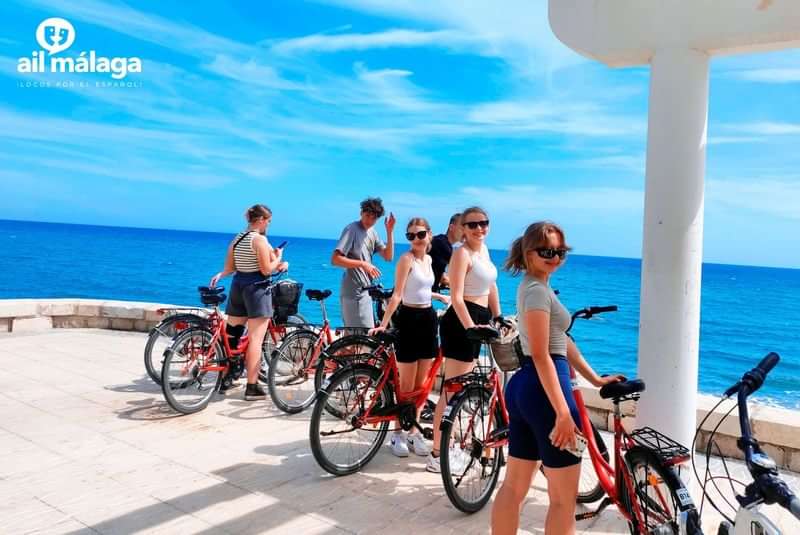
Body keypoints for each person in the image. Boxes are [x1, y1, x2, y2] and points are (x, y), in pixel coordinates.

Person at [490, 221, 624, 535]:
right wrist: (563, 412)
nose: (555, 257)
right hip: (546, 390)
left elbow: (560, 340)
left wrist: (594, 379)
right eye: (547, 251)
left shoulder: (535, 286)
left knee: (513, 488)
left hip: (525, 388)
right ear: (528, 252)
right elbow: (542, 353)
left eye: (560, 251)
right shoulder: (537, 291)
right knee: (563, 501)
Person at [428, 206, 502, 473]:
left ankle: (450, 443)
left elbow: (491, 286)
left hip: (479, 317)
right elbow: (457, 296)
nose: (479, 228)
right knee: (451, 390)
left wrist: (499, 316)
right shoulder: (461, 254)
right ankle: (437, 453)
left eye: (483, 223)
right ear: (463, 228)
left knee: (462, 388)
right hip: (462, 320)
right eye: (472, 225)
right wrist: (471, 326)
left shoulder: (483, 251)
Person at [370, 217, 450, 458]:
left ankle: (414, 431)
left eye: (420, 234)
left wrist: (440, 297)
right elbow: (398, 295)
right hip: (408, 320)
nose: (416, 239)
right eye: (411, 235)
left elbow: (422, 289)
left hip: (428, 319)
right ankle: (398, 433)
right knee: (405, 385)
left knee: (422, 384)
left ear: (430, 235)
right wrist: (383, 325)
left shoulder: (428, 259)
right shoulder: (406, 259)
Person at [209, 204, 288, 401]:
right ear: (261, 220)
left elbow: (229, 267)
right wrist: (279, 259)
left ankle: (227, 376)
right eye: (268, 221)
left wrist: (221, 274)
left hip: (238, 287)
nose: (268, 225)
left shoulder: (238, 238)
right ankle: (252, 387)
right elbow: (266, 270)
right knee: (255, 340)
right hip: (256, 290)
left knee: (233, 335)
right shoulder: (259, 239)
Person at [331, 197, 396, 328]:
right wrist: (363, 264)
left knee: (356, 340)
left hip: (365, 292)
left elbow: (388, 256)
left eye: (374, 218)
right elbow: (335, 259)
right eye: (367, 216)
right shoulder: (352, 229)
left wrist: (390, 231)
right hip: (352, 293)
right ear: (361, 213)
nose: (369, 220)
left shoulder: (372, 232)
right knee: (359, 339)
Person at [429, 212, 462, 292]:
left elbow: (441, 275)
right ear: (451, 227)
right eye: (462, 228)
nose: (466, 232)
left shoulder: (440, 240)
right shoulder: (442, 244)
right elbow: (462, 268)